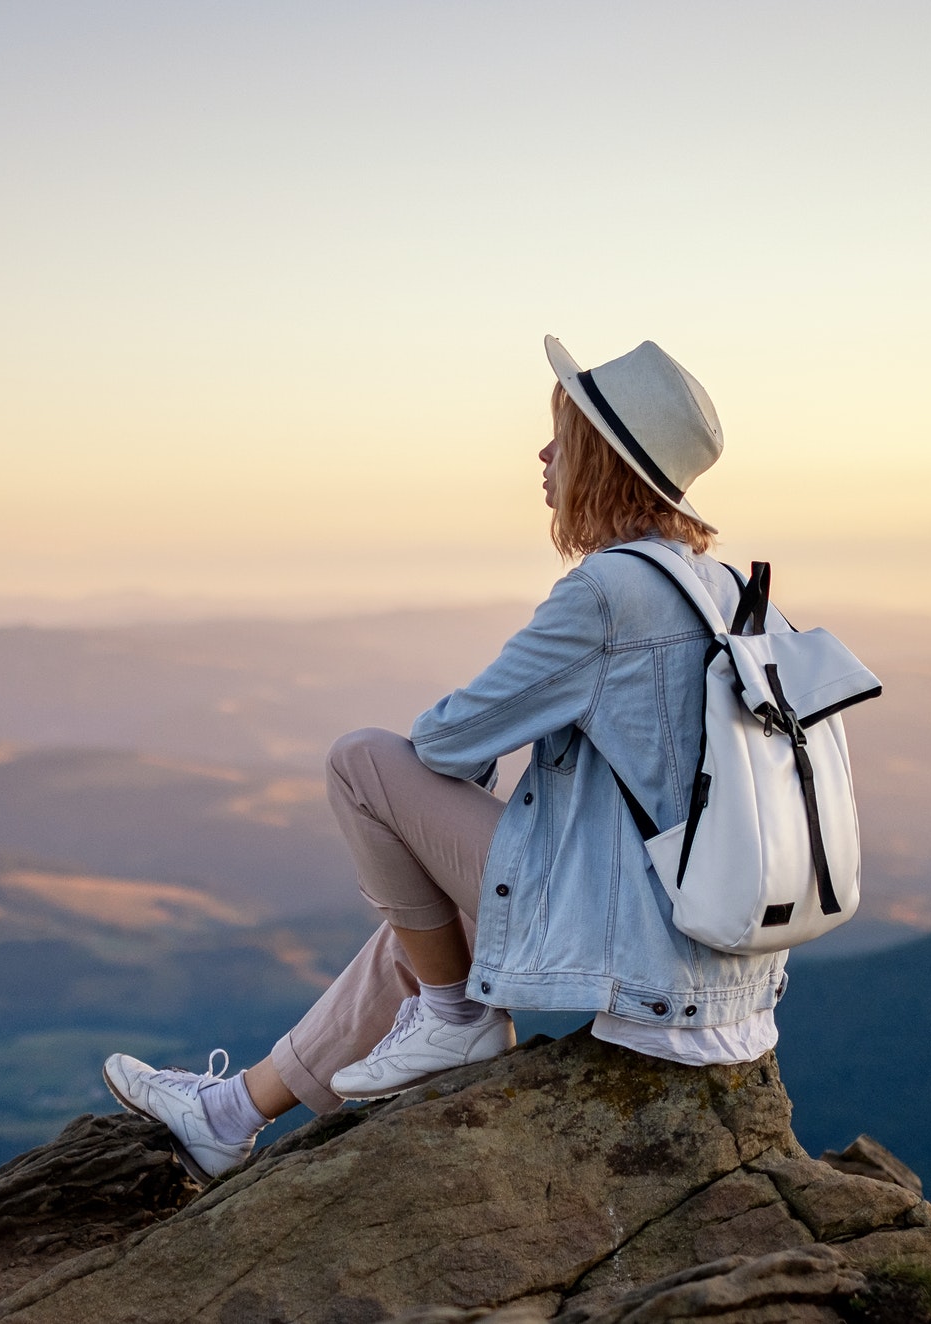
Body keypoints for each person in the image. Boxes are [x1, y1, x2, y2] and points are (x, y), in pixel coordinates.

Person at [103, 336, 791, 1182]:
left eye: (560, 437)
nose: (542, 455)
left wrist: (441, 809)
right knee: (441, 924)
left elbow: (442, 742)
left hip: (644, 949)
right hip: (715, 950)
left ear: (599, 460)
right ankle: (231, 1113)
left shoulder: (610, 592)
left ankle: (452, 1017)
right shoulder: (722, 589)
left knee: (361, 762)